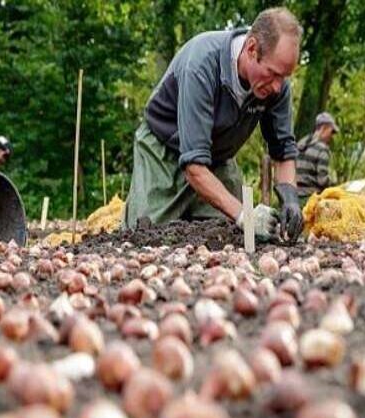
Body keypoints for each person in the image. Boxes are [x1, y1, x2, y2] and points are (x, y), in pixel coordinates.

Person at [123, 7, 304, 242]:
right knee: (147, 235)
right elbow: (194, 166)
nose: (278, 87)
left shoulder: (275, 87)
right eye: (273, 74)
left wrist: (290, 198)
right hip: (163, 150)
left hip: (217, 158)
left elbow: (283, 150)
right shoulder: (201, 65)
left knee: (233, 236)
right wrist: (244, 215)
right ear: (251, 49)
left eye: (284, 77)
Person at [295, 112, 338, 205]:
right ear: (324, 128)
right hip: (311, 200)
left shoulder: (300, 144)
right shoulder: (322, 149)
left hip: (294, 198)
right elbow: (322, 181)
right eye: (331, 131)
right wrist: (336, 186)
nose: (332, 136)